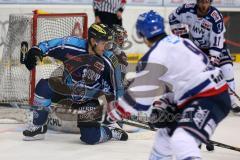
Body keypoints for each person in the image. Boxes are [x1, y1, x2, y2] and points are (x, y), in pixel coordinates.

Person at [106, 10, 231, 159]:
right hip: (208, 93)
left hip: (209, 97)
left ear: (141, 34)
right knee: (163, 138)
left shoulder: (154, 56)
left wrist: (114, 114)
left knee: (182, 140)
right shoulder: (182, 41)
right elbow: (180, 79)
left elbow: (138, 100)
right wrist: (165, 103)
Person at [22, 23, 128, 144]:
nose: (107, 47)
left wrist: (114, 114)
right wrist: (35, 51)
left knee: (90, 138)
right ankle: (38, 126)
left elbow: (117, 90)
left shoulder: (110, 60)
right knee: (43, 87)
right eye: (104, 43)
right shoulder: (71, 45)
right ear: (93, 41)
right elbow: (47, 46)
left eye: (109, 44)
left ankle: (110, 131)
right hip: (66, 89)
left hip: (88, 100)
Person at [168, 0, 240, 114]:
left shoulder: (215, 17)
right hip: (198, 48)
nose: (204, 5)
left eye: (206, 2)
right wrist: (183, 37)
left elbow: (217, 41)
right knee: (193, 74)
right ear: (197, 2)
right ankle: (195, 98)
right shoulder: (187, 9)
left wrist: (213, 60)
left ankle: (231, 99)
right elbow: (173, 17)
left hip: (217, 47)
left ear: (210, 3)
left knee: (227, 69)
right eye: (201, 2)